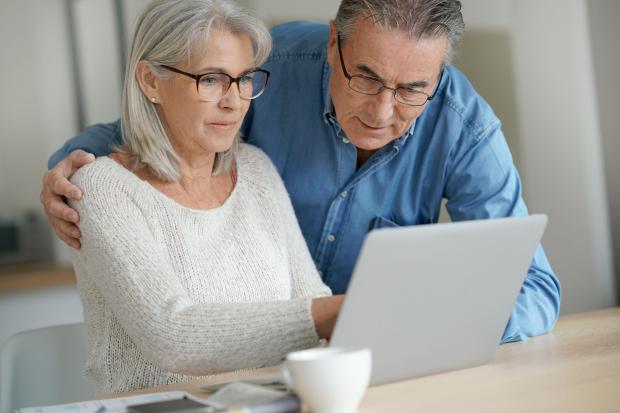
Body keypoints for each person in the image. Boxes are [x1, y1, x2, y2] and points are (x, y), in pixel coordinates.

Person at [42, 0, 561, 344]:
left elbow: (534, 287)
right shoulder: (272, 68)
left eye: (411, 90)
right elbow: (164, 120)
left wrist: (441, 327)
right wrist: (72, 167)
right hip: (243, 359)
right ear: (335, 44)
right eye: (366, 77)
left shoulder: (464, 126)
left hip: (360, 369)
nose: (382, 113)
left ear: (440, 74)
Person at [65, 0, 342, 394]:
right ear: (150, 81)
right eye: (211, 79)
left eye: (245, 78)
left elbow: (311, 301)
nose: (234, 101)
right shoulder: (103, 190)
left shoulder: (257, 171)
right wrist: (329, 313)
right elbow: (172, 337)